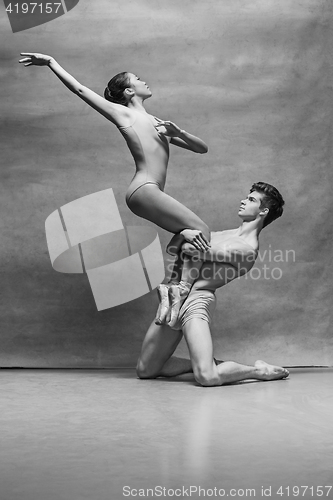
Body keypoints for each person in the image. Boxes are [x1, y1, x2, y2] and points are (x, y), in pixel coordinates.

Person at [18, 52, 211, 312]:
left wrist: (179, 133)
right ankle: (182, 285)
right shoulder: (124, 114)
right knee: (203, 231)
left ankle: (172, 288)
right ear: (130, 91)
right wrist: (52, 62)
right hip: (145, 190)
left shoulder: (158, 123)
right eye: (139, 79)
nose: (145, 82)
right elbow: (80, 90)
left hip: (146, 194)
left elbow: (202, 149)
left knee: (192, 235)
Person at [137, 182, 290, 387]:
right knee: (146, 370)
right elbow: (175, 248)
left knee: (207, 377)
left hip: (196, 301)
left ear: (263, 211)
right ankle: (207, 363)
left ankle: (259, 370)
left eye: (252, 199)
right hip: (175, 299)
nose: (244, 200)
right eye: (247, 196)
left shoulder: (247, 249)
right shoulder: (221, 234)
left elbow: (192, 251)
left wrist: (187, 235)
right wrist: (184, 234)